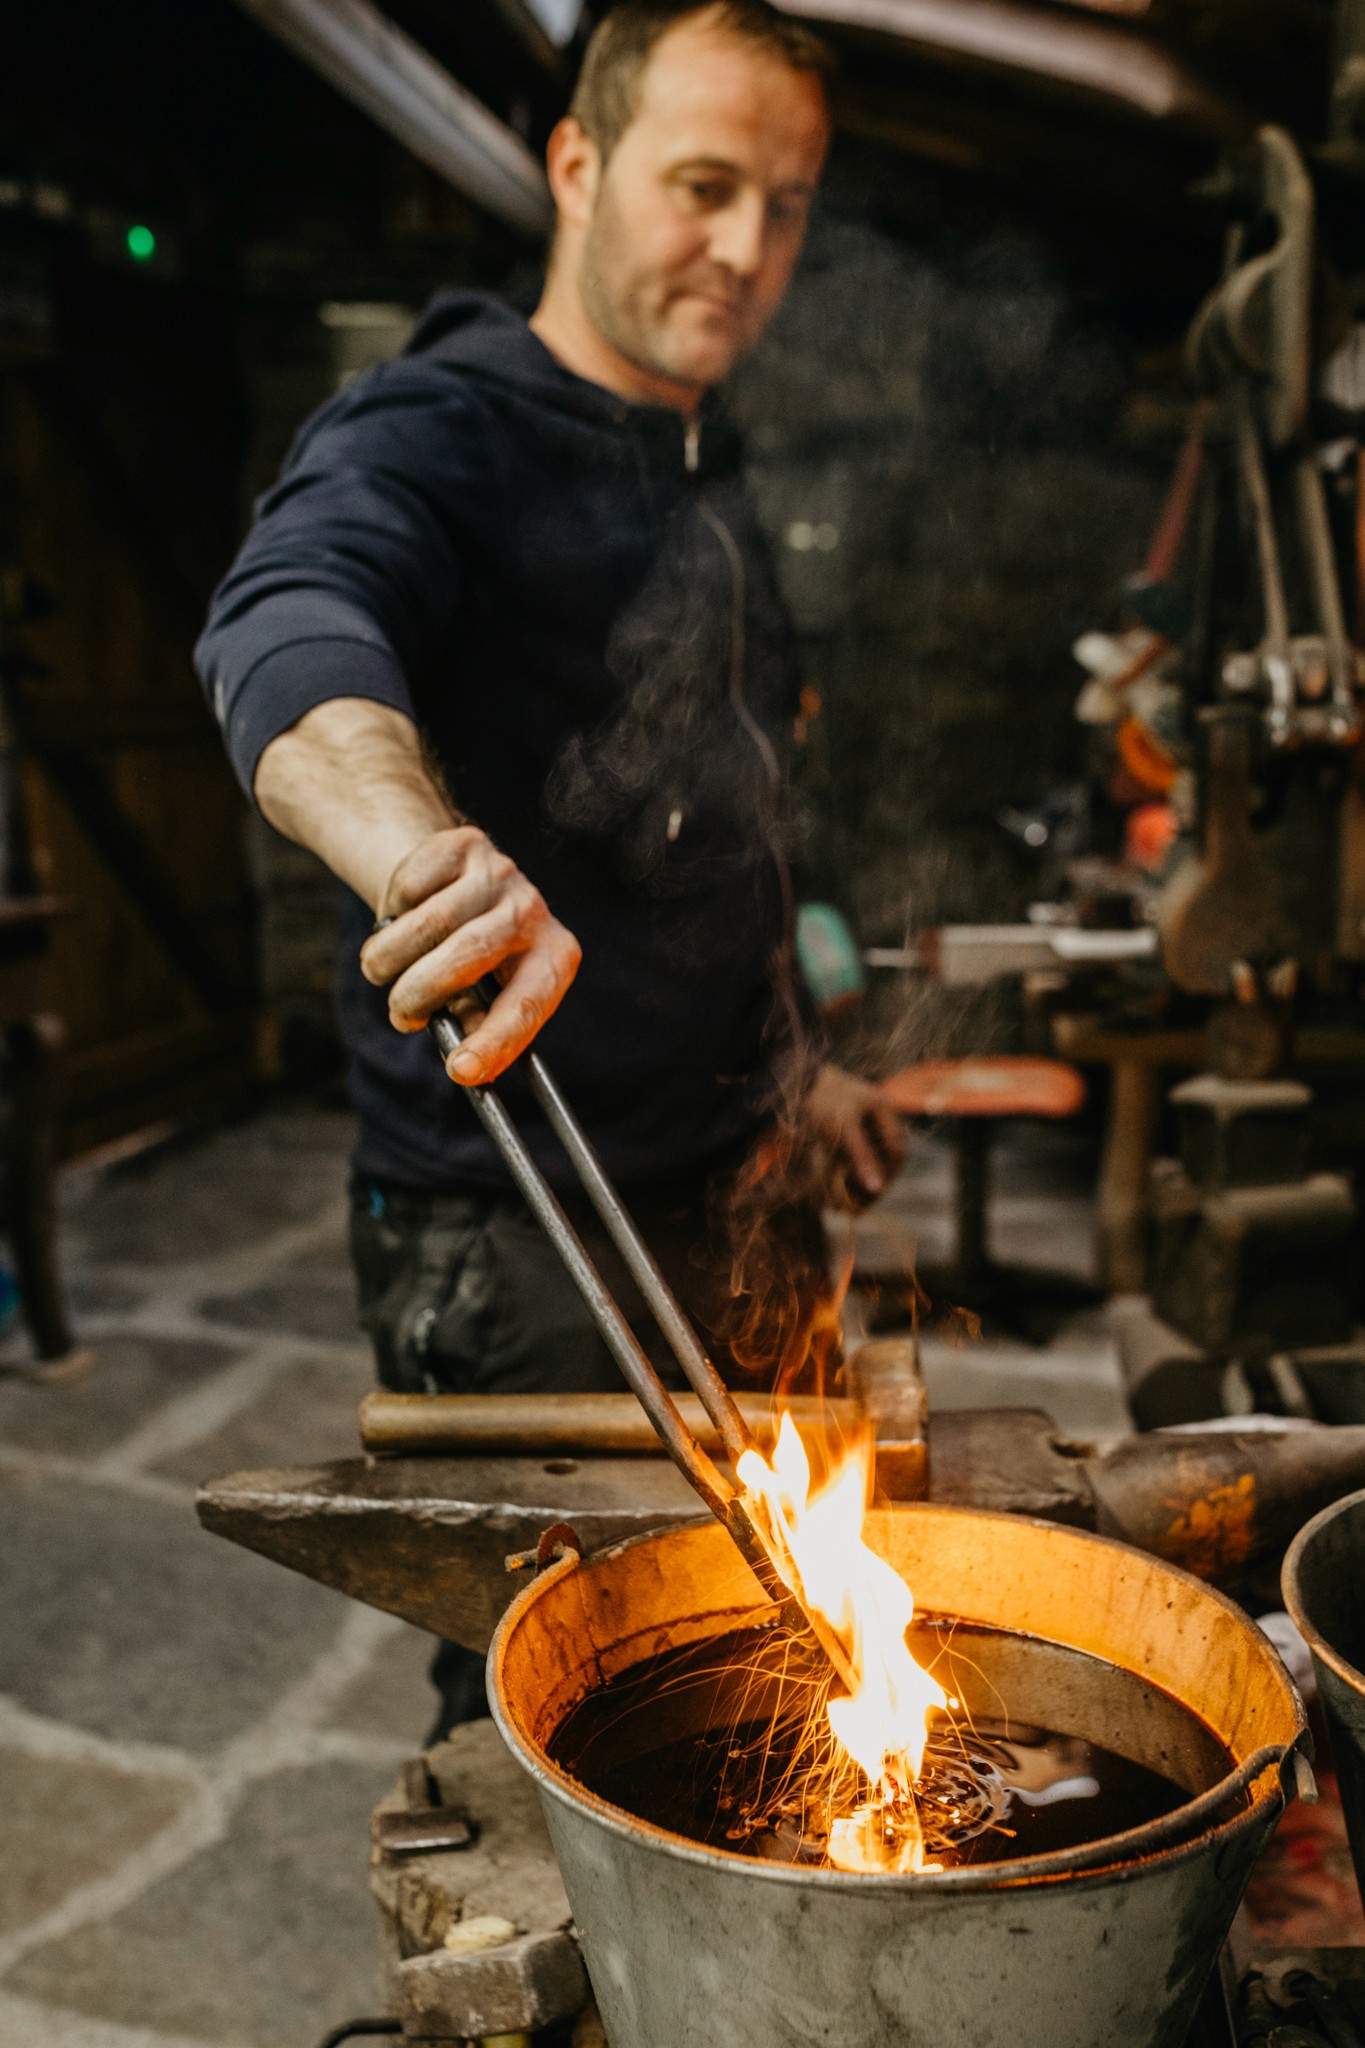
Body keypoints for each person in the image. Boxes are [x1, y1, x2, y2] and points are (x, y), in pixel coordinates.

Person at [198, 0, 904, 1727]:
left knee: (768, 1665)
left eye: (787, 203)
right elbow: (287, 629)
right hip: (519, 1234)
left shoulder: (698, 459)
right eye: (702, 184)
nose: (745, 249)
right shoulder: (429, 428)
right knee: (551, 1714)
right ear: (577, 164)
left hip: (732, 1183)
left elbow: (742, 803)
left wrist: (800, 1056)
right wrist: (417, 851)